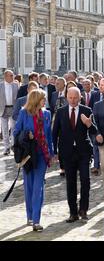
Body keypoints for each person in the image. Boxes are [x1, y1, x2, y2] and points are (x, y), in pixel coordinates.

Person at [52, 87, 97, 222]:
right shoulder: (60, 112)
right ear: (67, 97)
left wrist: (88, 124)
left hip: (83, 152)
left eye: (75, 98)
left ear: (80, 97)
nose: (72, 100)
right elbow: (54, 134)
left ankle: (83, 209)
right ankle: (73, 212)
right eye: (70, 98)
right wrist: (54, 152)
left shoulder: (86, 110)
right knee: (70, 182)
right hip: (67, 152)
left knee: (85, 181)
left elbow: (94, 130)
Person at [14, 89, 54, 231]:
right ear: (36, 100)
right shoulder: (24, 113)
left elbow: (49, 136)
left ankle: (36, 220)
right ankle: (30, 215)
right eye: (43, 98)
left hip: (42, 155)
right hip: (28, 155)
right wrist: (26, 134)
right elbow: (16, 132)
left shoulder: (47, 114)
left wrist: (52, 153)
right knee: (29, 186)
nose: (45, 101)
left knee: (39, 187)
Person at [0, 69, 19, 155]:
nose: (13, 77)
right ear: (5, 76)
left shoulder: (16, 85)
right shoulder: (0, 85)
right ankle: (6, 147)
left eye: (13, 75)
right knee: (4, 129)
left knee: (14, 128)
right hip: (3, 109)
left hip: (13, 108)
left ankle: (13, 146)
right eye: (11, 75)